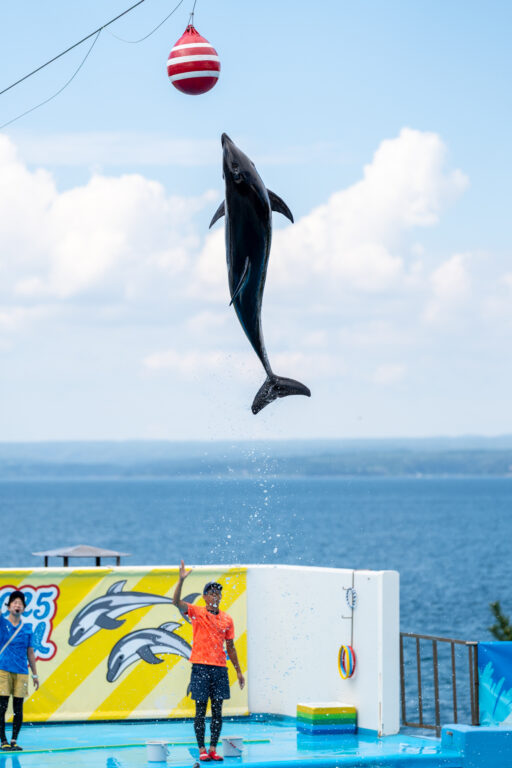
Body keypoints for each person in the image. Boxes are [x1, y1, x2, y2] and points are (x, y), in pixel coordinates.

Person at [173, 560, 245, 762]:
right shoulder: (197, 612)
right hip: (201, 667)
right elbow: (175, 602)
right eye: (211, 593)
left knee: (217, 711)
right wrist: (181, 580)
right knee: (200, 710)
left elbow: (230, 647)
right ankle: (202, 748)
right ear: (205, 597)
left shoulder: (227, 619)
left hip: (220, 669)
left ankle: (213, 747)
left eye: (218, 593)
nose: (215, 596)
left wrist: (238, 671)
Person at [0, 590, 39, 751]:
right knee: (2, 706)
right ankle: (3, 741)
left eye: (20, 604)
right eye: (14, 603)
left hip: (22, 671)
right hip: (3, 670)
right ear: (9, 607)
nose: (17, 605)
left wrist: (35, 674)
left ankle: (14, 740)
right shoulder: (2, 623)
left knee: (18, 708)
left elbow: (30, 652)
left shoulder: (27, 628)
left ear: (24, 608)